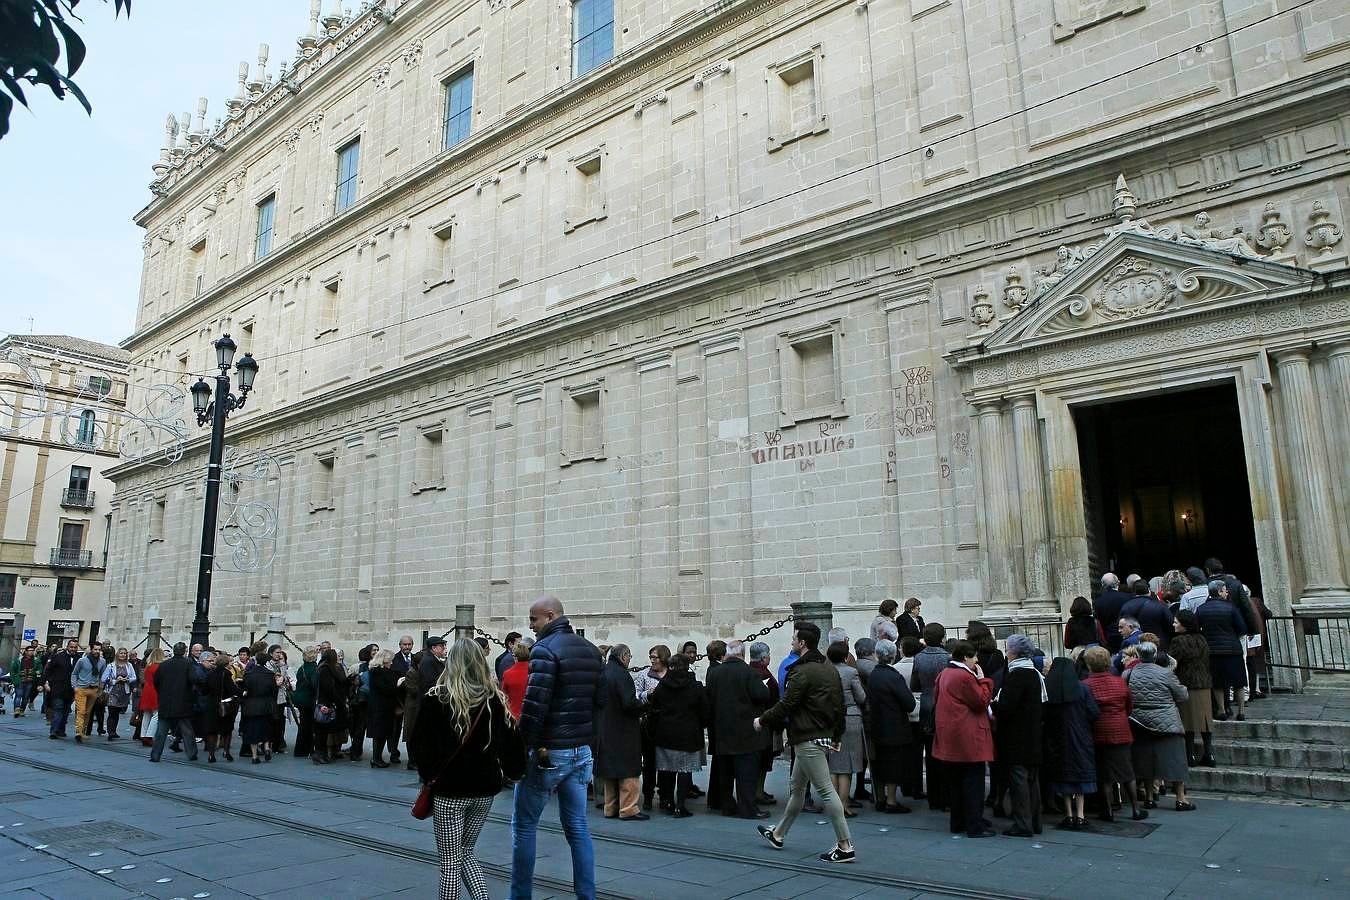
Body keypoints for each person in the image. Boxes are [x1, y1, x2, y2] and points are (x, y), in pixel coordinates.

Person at [412, 638, 527, 900]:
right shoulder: (493, 700)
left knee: (450, 861)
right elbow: (511, 743)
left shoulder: (437, 698)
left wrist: (430, 775)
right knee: (466, 851)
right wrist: (516, 771)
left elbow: (420, 743)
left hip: (450, 791)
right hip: (484, 789)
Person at [511, 596, 604, 900]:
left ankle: (520, 896)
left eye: (534, 619)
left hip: (549, 753)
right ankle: (586, 896)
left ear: (550, 616)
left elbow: (535, 706)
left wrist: (522, 748)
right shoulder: (591, 650)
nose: (531, 626)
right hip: (581, 750)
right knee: (577, 827)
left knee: (524, 826)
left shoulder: (544, 650)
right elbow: (600, 703)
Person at [754, 621, 855, 864]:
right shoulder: (828, 667)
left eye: (794, 639)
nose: (791, 642)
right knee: (797, 787)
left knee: (825, 791)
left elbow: (788, 703)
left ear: (802, 643)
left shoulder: (801, 671)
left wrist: (762, 720)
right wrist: (837, 735)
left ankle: (845, 845)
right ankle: (778, 834)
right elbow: (839, 703)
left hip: (808, 736)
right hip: (817, 735)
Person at [932, 640, 996, 838]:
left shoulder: (944, 674)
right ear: (966, 657)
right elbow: (980, 701)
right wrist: (985, 680)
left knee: (956, 782)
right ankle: (974, 825)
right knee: (973, 783)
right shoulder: (963, 676)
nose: (977, 660)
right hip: (968, 737)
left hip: (950, 735)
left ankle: (958, 821)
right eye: (974, 657)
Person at [1124, 641, 1195, 811]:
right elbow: (1182, 695)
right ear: (1155, 655)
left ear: (1139, 656)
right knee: (1176, 760)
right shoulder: (1165, 673)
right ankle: (1180, 798)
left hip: (1139, 721)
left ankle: (1149, 797)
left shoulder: (1128, 673)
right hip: (1167, 721)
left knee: (1146, 760)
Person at [705, 639, 770, 819]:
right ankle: (748, 808)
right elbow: (762, 695)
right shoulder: (749, 672)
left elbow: (709, 699)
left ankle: (727, 806)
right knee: (746, 773)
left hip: (722, 731)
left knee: (725, 773)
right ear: (742, 654)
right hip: (745, 733)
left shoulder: (715, 673)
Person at [1081, 647, 1145, 822]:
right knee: (1127, 771)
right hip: (1121, 729)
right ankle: (1135, 808)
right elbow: (1129, 705)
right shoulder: (1119, 681)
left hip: (1098, 731)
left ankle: (1107, 810)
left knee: (1104, 775)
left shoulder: (1086, 685)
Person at [993, 634, 1045, 837]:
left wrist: (993, 705)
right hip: (1032, 733)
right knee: (1032, 780)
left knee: (1020, 781)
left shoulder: (1017, 675)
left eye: (1007, 649)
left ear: (1013, 652)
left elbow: (1007, 707)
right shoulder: (1034, 674)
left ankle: (1023, 823)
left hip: (1017, 736)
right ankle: (1035, 821)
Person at [648, 653, 707, 818]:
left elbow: (654, 710)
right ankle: (680, 805)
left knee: (667, 770)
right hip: (689, 734)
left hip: (666, 733)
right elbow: (704, 711)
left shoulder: (662, 686)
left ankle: (667, 801)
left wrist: (653, 730)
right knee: (684, 770)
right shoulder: (695, 687)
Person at [1043, 657, 1099, 831]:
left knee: (1063, 776)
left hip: (1057, 738)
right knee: (1080, 774)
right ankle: (1080, 815)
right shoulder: (1082, 689)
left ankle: (1068, 814)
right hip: (1080, 736)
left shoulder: (1049, 690)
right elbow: (1093, 712)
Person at [595, 644, 646, 820]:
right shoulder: (622, 675)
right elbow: (629, 703)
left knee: (611, 770)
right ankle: (628, 808)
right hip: (623, 729)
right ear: (623, 656)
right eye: (629, 656)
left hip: (606, 727)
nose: (630, 659)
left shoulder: (604, 672)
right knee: (628, 770)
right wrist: (644, 706)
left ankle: (610, 808)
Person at [866, 639, 915, 814]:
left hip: (876, 724)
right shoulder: (894, 676)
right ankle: (892, 801)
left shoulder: (874, 675)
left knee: (879, 763)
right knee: (893, 764)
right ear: (894, 655)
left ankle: (880, 797)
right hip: (894, 727)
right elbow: (909, 703)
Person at [910, 622, 951, 810]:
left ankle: (934, 797)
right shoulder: (946, 657)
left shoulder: (918, 658)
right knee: (945, 753)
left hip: (926, 704)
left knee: (931, 751)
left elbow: (915, 683)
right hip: (943, 704)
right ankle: (945, 795)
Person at [825, 641, 867, 818]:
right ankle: (843, 804)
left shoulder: (825, 672)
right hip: (849, 718)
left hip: (829, 719)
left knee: (834, 764)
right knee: (847, 765)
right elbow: (861, 697)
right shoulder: (851, 672)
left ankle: (833, 804)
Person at [1196, 579, 1249, 721]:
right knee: (1238, 682)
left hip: (1212, 651)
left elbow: (1197, 628)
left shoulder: (1201, 609)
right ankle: (1241, 711)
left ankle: (1221, 710)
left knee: (1218, 683)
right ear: (1219, 591)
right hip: (1232, 649)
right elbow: (1242, 628)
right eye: (1225, 590)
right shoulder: (1231, 608)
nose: (1227, 592)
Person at [1170, 610, 1214, 766]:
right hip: (1204, 682)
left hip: (1187, 683)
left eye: (1176, 622)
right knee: (1205, 721)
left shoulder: (1179, 641)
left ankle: (1190, 756)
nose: (1173, 624)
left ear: (1184, 625)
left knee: (1187, 721)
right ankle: (1209, 753)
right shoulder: (1202, 638)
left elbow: (1172, 663)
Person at [634, 644, 670, 812]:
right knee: (649, 762)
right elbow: (635, 696)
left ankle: (665, 796)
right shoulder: (643, 675)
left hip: (666, 724)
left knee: (665, 762)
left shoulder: (671, 675)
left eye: (656, 657)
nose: (653, 660)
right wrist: (647, 694)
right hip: (649, 724)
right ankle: (647, 795)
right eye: (651, 657)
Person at [150, 643, 199, 762]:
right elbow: (194, 679)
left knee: (161, 730)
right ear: (184, 651)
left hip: (166, 701)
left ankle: (155, 755)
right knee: (187, 730)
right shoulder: (188, 664)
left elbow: (156, 681)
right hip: (183, 701)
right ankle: (191, 753)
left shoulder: (164, 665)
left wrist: (162, 692)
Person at [747, 641, 780, 806]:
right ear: (764, 657)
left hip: (752, 721)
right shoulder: (763, 675)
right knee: (763, 760)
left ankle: (757, 790)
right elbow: (773, 698)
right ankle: (757, 791)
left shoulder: (747, 671)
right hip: (765, 722)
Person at [895, 636, 925, 801]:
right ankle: (917, 787)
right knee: (918, 752)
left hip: (904, 714)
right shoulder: (920, 665)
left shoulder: (896, 668)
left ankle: (905, 784)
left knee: (905, 752)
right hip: (920, 713)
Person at [240, 646, 279, 764]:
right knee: (266, 727)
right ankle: (267, 748)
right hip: (266, 704)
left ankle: (254, 756)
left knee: (252, 729)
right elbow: (274, 691)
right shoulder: (270, 674)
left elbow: (245, 689)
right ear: (266, 661)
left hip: (251, 705)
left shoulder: (249, 674)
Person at [201, 650, 240, 762]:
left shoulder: (209, 674)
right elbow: (232, 689)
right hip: (225, 705)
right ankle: (226, 752)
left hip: (211, 705)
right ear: (226, 664)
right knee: (227, 730)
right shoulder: (226, 674)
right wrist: (243, 692)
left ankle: (211, 754)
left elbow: (204, 691)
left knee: (212, 731)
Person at [314, 648, 348, 764]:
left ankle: (321, 753)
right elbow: (328, 688)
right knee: (322, 731)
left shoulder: (325, 668)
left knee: (323, 730)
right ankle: (319, 753)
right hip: (326, 702)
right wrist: (338, 701)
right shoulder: (325, 670)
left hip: (327, 701)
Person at [67, 640, 106, 743]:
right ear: (91, 649)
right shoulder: (82, 660)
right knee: (81, 711)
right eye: (95, 649)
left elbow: (102, 676)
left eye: (99, 649)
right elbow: (74, 673)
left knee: (88, 712)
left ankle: (83, 731)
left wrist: (101, 689)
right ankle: (78, 732)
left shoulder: (102, 661)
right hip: (81, 688)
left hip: (94, 689)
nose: (97, 651)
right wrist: (74, 686)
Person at [367, 649, 399, 767]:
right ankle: (376, 758)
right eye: (390, 661)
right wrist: (397, 685)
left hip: (384, 707)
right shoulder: (378, 672)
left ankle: (377, 758)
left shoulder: (380, 671)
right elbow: (384, 688)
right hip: (379, 707)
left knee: (382, 734)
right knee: (379, 734)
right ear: (384, 661)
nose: (391, 663)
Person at [42, 638, 79, 739]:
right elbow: (48, 670)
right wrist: (45, 683)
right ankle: (53, 731)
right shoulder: (58, 657)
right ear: (67, 647)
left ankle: (61, 730)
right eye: (71, 647)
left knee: (66, 711)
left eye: (75, 647)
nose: (73, 649)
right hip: (57, 688)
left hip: (71, 690)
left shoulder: (79, 659)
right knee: (58, 709)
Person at [1122, 579, 1176, 648]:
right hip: (1158, 646)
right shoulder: (1160, 606)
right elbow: (1171, 625)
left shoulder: (1126, 606)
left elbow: (1121, 627)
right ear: (1149, 590)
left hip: (1134, 647)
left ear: (1133, 592)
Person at [388, 634, 416, 763]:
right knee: (395, 728)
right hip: (398, 699)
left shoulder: (415, 658)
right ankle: (393, 752)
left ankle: (412, 756)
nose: (407, 647)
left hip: (412, 698)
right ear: (400, 645)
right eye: (404, 644)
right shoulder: (394, 659)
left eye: (409, 644)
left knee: (411, 728)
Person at [99, 647, 136, 741]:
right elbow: (104, 679)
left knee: (117, 711)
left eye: (124, 653)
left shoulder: (129, 665)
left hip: (124, 691)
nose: (123, 655)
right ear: (117, 655)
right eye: (121, 653)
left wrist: (127, 679)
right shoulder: (111, 666)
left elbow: (134, 677)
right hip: (113, 691)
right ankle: (110, 732)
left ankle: (114, 731)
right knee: (112, 710)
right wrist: (116, 680)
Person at [292, 647, 319, 759]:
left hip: (300, 698)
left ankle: (300, 750)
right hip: (309, 700)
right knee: (310, 725)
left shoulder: (301, 668)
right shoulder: (314, 668)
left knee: (303, 724)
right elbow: (314, 684)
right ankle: (308, 748)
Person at [1095, 573, 1133, 652]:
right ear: (1118, 583)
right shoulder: (1127, 597)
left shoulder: (1099, 601)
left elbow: (1099, 622)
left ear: (1103, 585)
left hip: (1109, 637)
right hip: (1127, 634)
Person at [136, 648, 163, 746]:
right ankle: (149, 735)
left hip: (147, 691)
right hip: (155, 691)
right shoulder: (159, 667)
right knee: (156, 714)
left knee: (147, 714)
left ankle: (143, 734)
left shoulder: (148, 666)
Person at [501, 636, 533, 719]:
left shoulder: (508, 674)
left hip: (513, 714)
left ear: (515, 656)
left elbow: (504, 695)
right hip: (531, 714)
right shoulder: (534, 671)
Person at [10, 647, 40, 717]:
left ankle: (22, 710)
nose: (31, 652)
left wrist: (37, 672)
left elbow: (40, 669)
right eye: (30, 651)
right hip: (20, 680)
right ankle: (16, 709)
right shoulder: (19, 660)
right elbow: (13, 670)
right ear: (26, 651)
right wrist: (14, 680)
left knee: (26, 697)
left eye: (33, 651)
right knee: (18, 695)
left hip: (30, 681)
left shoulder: (36, 660)